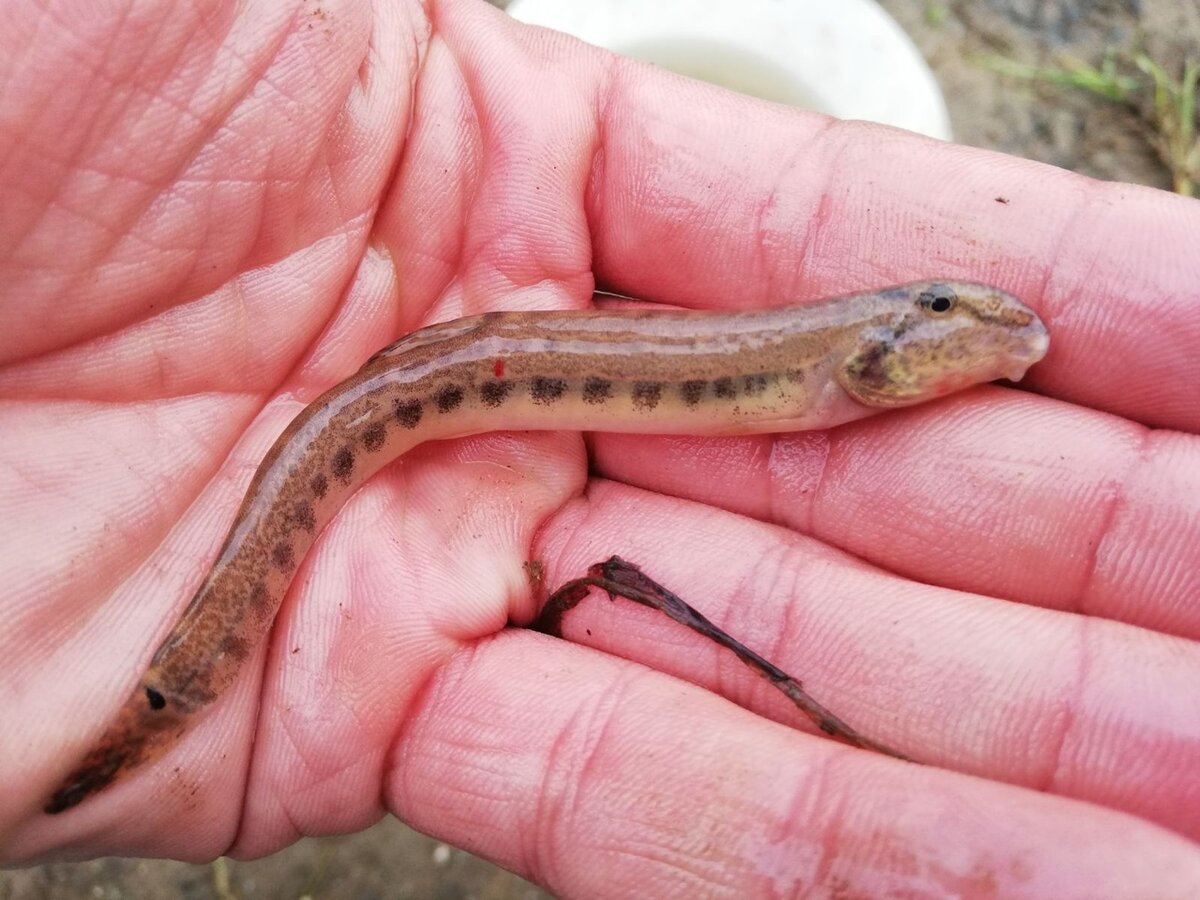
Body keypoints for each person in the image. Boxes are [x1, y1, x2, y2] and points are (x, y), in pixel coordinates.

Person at [2, 0, 1198, 892]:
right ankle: (168, 698)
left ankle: (149, 716)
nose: (962, 328)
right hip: (424, 392)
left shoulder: (853, 360)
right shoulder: (848, 361)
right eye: (937, 316)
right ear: (873, 360)